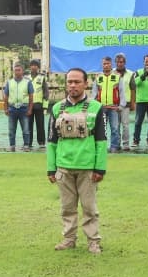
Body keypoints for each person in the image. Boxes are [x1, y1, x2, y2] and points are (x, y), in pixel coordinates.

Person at [46, 68, 108, 254]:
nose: (72, 85)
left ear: (86, 84)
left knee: (89, 207)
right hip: (64, 167)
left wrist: (100, 168)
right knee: (67, 207)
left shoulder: (96, 108)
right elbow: (52, 141)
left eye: (77, 82)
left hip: (87, 167)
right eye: (69, 82)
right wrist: (51, 168)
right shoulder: (57, 108)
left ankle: (93, 241)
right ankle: (68, 239)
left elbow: (101, 140)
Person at [91, 56, 124, 152]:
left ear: (111, 65)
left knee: (115, 128)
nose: (106, 65)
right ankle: (102, 146)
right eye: (104, 64)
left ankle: (114, 147)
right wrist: (93, 106)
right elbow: (94, 93)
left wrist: (121, 105)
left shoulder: (117, 77)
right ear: (102, 65)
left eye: (108, 64)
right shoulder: (98, 78)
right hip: (101, 108)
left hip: (114, 107)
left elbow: (121, 92)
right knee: (102, 128)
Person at [3, 62, 34, 151]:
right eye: (15, 70)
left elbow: (31, 97)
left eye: (19, 70)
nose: (17, 72)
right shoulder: (9, 82)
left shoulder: (28, 82)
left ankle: (26, 146)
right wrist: (5, 108)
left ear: (22, 71)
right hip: (12, 109)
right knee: (11, 129)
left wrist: (30, 109)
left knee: (26, 129)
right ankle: (12, 146)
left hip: (24, 108)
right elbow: (6, 96)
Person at [113, 53, 136, 150]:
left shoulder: (131, 74)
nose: (120, 64)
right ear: (115, 62)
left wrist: (132, 103)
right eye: (118, 62)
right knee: (115, 125)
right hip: (114, 104)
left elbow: (133, 89)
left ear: (125, 62)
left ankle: (126, 144)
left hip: (126, 104)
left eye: (121, 62)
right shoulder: (110, 73)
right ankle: (116, 144)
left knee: (125, 125)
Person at [28, 59, 49, 149]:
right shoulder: (26, 78)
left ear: (38, 67)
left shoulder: (42, 78)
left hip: (39, 105)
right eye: (32, 65)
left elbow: (46, 92)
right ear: (30, 67)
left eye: (36, 65)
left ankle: (41, 142)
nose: (34, 67)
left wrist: (45, 106)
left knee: (40, 125)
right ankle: (28, 142)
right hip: (28, 105)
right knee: (28, 125)